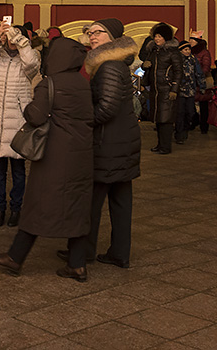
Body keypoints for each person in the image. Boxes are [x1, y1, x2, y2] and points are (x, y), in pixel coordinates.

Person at [0, 37, 94, 281]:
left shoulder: (50, 84)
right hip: (81, 153)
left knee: (37, 203)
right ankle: (77, 264)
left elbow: (35, 116)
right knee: (77, 206)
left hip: (54, 154)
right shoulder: (82, 82)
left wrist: (27, 104)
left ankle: (15, 257)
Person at [83, 18, 139, 269]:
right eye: (90, 32)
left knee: (92, 201)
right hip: (122, 142)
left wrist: (83, 123)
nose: (92, 36)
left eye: (98, 32)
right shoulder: (115, 64)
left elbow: (106, 108)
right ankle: (119, 253)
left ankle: (82, 251)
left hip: (108, 144)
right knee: (120, 201)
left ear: (112, 37)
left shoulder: (108, 66)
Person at [0, 22, 39, 227]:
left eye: (16, 37)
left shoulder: (27, 61)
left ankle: (16, 208)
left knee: (19, 171)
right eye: (10, 37)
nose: (11, 41)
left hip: (18, 121)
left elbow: (32, 63)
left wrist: (21, 41)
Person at [139, 23, 182, 154]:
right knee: (158, 119)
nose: (157, 39)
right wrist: (144, 66)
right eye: (156, 36)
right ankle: (160, 144)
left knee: (166, 120)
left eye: (159, 36)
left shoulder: (173, 52)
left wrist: (174, 89)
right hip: (155, 89)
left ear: (166, 38)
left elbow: (178, 71)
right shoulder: (153, 51)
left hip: (167, 89)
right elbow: (149, 68)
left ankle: (166, 146)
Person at [175, 40, 205, 143]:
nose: (188, 51)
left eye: (189, 49)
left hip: (191, 91)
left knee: (190, 112)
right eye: (185, 49)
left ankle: (185, 130)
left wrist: (202, 86)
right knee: (180, 113)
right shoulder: (177, 60)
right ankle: (179, 134)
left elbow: (199, 73)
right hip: (179, 91)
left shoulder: (193, 60)